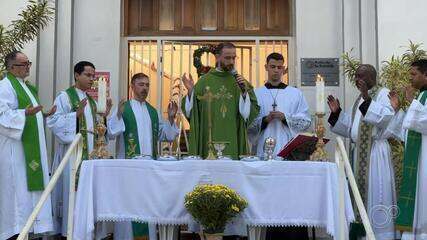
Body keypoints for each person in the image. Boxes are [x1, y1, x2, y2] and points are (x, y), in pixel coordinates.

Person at [327, 64, 398, 239]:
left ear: (372, 77)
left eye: (361, 76)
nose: (358, 80)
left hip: (376, 154)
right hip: (360, 154)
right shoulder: (359, 99)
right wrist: (337, 113)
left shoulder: (383, 94)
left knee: (377, 193)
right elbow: (353, 130)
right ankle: (362, 234)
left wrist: (367, 97)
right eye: (356, 76)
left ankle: (380, 234)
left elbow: (385, 119)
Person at [107, 72, 179, 240]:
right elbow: (111, 133)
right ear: (132, 87)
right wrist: (117, 114)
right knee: (128, 207)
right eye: (141, 84)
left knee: (147, 206)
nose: (145, 88)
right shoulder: (125, 108)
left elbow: (166, 136)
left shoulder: (153, 112)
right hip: (129, 170)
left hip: (148, 170)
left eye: (147, 85)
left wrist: (170, 118)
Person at [46, 61, 112, 237]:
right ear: (76, 75)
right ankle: (70, 232)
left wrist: (103, 118)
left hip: (88, 156)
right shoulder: (65, 97)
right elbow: (52, 121)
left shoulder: (90, 101)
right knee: (72, 195)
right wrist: (75, 115)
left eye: (93, 76)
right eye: (88, 75)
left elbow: (97, 130)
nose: (92, 79)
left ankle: (84, 231)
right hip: (72, 156)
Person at [0, 51, 56, 239]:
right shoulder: (5, 87)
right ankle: (16, 230)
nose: (28, 67)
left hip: (29, 151)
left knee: (28, 192)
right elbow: (2, 116)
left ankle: (31, 228)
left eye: (28, 63)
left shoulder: (27, 88)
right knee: (17, 194)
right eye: (23, 64)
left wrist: (42, 115)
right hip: (15, 152)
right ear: (11, 67)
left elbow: (30, 113)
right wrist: (24, 115)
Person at [181, 42, 259, 159]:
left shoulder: (240, 82)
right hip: (209, 138)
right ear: (217, 57)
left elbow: (247, 115)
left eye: (234, 58)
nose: (231, 61)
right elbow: (192, 113)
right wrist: (191, 92)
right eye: (227, 58)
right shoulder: (204, 81)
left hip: (232, 136)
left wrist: (244, 93)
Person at [387, 59, 427, 239]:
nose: (410, 78)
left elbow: (423, 123)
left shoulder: (420, 98)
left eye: (413, 74)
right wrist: (398, 110)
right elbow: (408, 127)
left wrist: (412, 102)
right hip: (418, 159)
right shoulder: (421, 96)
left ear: (425, 75)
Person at [248, 52, 311, 158]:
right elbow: (249, 125)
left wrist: (285, 118)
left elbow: (305, 122)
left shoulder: (295, 94)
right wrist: (265, 120)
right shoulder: (256, 94)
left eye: (279, 67)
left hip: (287, 146)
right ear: (266, 67)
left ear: (283, 69)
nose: (276, 70)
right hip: (262, 146)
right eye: (272, 67)